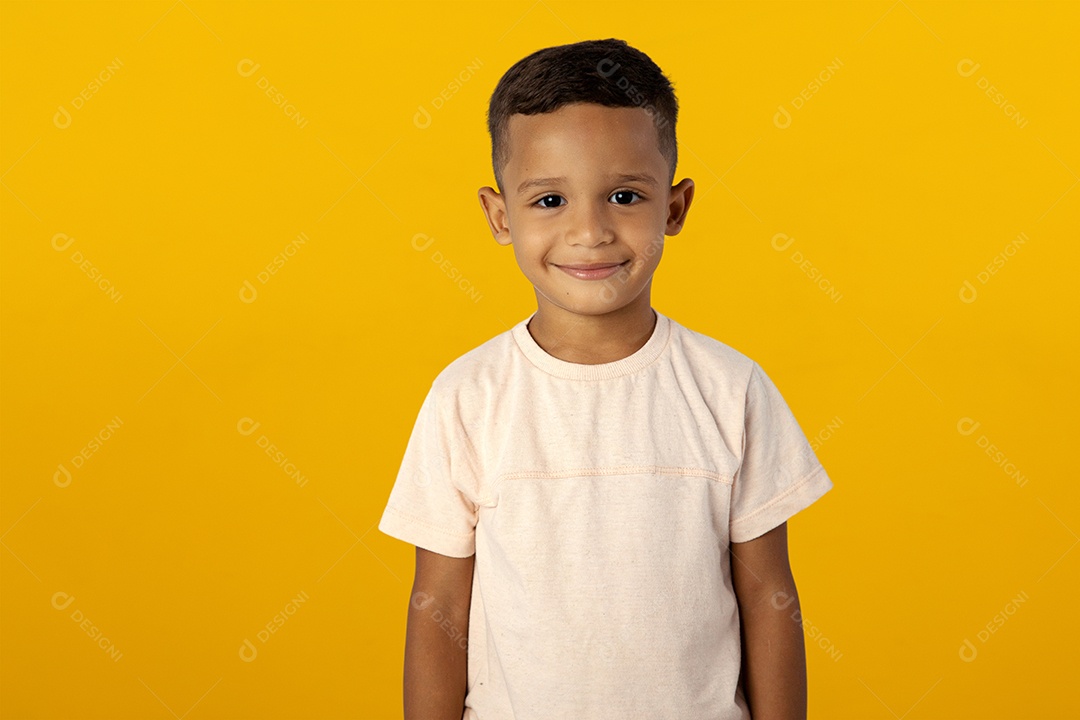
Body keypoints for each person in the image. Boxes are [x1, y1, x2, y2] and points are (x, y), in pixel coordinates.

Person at [378, 37, 834, 720]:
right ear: (501, 216)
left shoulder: (729, 388)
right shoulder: (468, 398)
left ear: (674, 208)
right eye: (550, 200)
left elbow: (769, 594)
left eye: (623, 195)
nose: (588, 232)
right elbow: (438, 605)